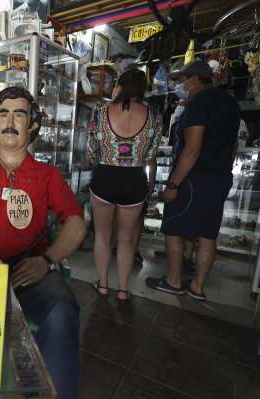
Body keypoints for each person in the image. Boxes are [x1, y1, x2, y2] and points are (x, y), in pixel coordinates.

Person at [0, 86, 85, 399]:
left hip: (31, 271)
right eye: (3, 114)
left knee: (61, 312)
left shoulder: (47, 175)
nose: (10, 121)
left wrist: (47, 261)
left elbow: (76, 223)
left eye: (19, 113)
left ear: (32, 123)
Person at [146, 60, 241, 301]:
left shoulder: (198, 104)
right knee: (208, 235)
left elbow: (192, 149)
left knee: (173, 230)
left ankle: (173, 281)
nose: (181, 85)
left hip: (193, 179)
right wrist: (223, 173)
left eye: (183, 80)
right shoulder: (230, 103)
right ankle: (197, 288)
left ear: (196, 79)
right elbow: (234, 146)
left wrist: (173, 184)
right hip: (219, 178)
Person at [87, 68, 161, 302]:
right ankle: (123, 289)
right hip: (134, 180)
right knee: (126, 239)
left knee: (101, 234)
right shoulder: (154, 116)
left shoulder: (100, 112)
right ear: (143, 89)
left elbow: (91, 152)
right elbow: (151, 154)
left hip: (105, 177)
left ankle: (103, 284)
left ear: (120, 85)